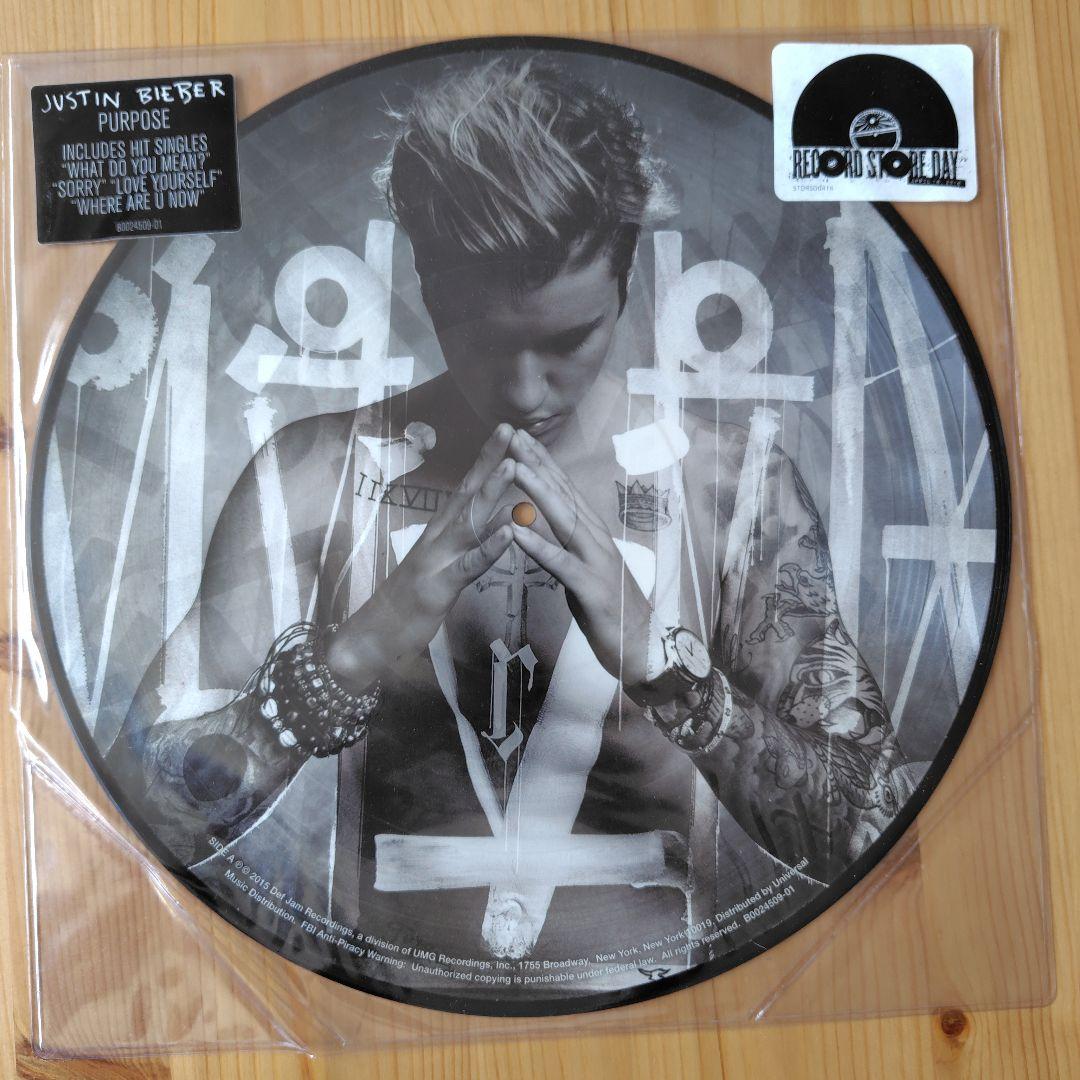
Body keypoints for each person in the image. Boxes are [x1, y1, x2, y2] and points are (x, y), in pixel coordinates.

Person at [107, 58, 910, 985]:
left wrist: (668, 671)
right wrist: (355, 654)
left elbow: (873, 826)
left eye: (570, 338)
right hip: (374, 1024)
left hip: (673, 1030)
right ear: (427, 287)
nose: (527, 391)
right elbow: (134, 814)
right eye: (482, 338)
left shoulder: (732, 490)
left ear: (625, 278)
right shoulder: (315, 477)